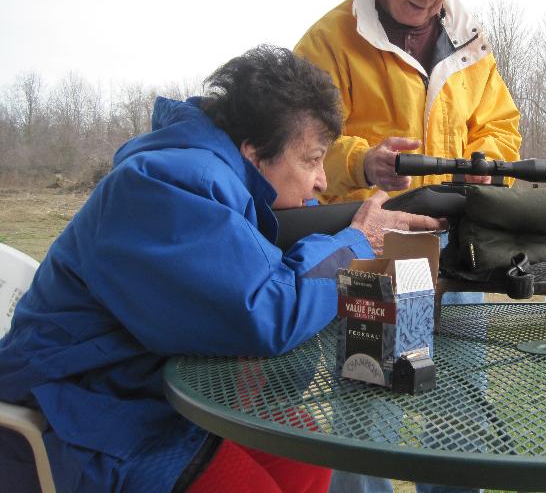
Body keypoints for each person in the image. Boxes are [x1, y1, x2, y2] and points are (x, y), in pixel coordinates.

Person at [0, 45, 446, 493]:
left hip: (145, 390)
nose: (322, 181)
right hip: (81, 412)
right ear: (253, 153)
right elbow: (264, 314)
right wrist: (357, 243)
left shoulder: (224, 184)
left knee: (302, 451)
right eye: (312, 159)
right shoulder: (166, 185)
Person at [295, 0, 521, 493]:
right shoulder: (330, 41)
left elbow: (500, 128)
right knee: (368, 408)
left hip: (457, 253)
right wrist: (361, 160)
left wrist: (486, 166)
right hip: (373, 251)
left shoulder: (471, 45)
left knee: (462, 407)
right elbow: (295, 146)